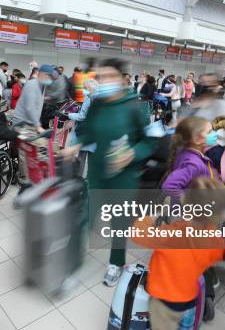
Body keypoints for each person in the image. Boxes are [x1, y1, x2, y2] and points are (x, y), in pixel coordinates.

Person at [62, 58, 156, 287]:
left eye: (110, 76)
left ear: (124, 79)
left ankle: (116, 263)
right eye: (100, 76)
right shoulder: (98, 103)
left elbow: (150, 140)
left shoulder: (136, 105)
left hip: (124, 178)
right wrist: (76, 143)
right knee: (84, 218)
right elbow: (90, 131)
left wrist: (133, 153)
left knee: (119, 223)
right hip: (97, 174)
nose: (104, 81)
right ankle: (71, 267)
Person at [132, 177, 225, 330]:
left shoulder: (171, 235)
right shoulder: (215, 241)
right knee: (174, 321)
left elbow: (137, 232)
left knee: (163, 325)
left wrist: (151, 217)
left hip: (163, 298)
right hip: (187, 296)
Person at [161, 117, 219, 199]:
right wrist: (188, 202)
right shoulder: (193, 164)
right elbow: (169, 186)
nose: (215, 133)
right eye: (210, 132)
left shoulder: (187, 153)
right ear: (197, 140)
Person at [66, 79, 98, 176]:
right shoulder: (99, 97)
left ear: (89, 87)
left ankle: (79, 179)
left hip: (85, 131)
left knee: (81, 157)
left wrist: (69, 115)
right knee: (92, 159)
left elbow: (82, 116)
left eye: (84, 87)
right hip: (95, 131)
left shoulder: (89, 97)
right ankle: (90, 180)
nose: (83, 90)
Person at [12, 64, 55, 132]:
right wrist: (37, 125)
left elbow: (36, 101)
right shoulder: (32, 84)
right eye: (48, 76)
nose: (50, 78)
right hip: (21, 122)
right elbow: (30, 107)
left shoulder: (42, 85)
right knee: (20, 142)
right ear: (41, 74)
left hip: (30, 122)